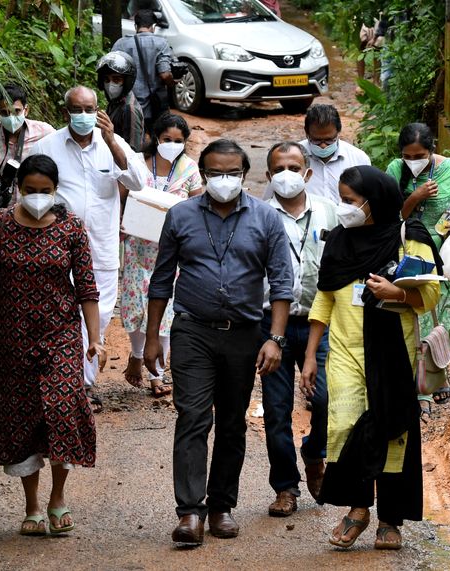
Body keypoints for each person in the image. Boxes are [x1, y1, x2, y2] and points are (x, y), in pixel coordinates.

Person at [145, 139, 293, 547]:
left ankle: (222, 505)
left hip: (245, 334)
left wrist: (275, 339)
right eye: (215, 173)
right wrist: (152, 338)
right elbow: (161, 280)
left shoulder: (266, 219)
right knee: (192, 416)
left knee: (231, 421)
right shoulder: (180, 216)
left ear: (245, 175)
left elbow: (282, 284)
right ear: (203, 173)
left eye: (232, 172)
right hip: (192, 329)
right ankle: (190, 512)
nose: (223, 180)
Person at [0, 154, 105, 536]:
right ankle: (32, 505)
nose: (37, 197)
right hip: (12, 336)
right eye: (30, 191)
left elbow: (86, 286)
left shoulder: (71, 228)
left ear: (56, 191)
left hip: (61, 334)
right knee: (21, 416)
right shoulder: (0, 224)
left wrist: (95, 338)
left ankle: (59, 498)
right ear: (18, 190)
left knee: (64, 406)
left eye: (45, 191)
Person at [301, 166, 442, 551]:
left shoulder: (409, 238)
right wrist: (311, 353)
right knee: (346, 427)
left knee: (392, 429)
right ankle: (358, 507)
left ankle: (391, 520)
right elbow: (325, 296)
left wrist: (396, 293)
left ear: (374, 200)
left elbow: (429, 296)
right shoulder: (340, 241)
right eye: (342, 199)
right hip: (345, 351)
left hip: (393, 350)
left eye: (350, 200)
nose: (343, 207)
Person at [31, 86, 146, 413]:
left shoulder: (113, 144)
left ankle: (81, 381)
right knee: (59, 313)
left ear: (99, 109)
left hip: (102, 250)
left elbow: (138, 182)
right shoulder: (47, 146)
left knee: (99, 316)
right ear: (66, 110)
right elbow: (28, 191)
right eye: (77, 109)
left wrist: (111, 141)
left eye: (89, 109)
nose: (84, 116)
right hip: (57, 249)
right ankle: (72, 383)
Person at [259, 141, 337, 517]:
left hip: (318, 322)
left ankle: (314, 452)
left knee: (323, 400)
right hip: (271, 323)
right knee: (276, 409)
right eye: (278, 168)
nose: (286, 174)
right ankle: (285, 487)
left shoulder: (329, 212)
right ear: (268, 176)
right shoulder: (257, 215)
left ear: (307, 172)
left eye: (294, 166)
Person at [385, 122, 450, 419]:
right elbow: (389, 215)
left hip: (445, 253)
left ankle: (438, 368)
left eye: (419, 155)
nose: (413, 161)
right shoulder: (395, 171)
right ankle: (424, 387)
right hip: (412, 253)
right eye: (408, 155)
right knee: (421, 316)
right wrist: (416, 196)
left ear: (432, 150)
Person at [120, 113, 202, 398]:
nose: (172, 144)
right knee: (135, 305)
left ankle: (157, 373)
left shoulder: (190, 169)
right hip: (137, 246)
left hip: (172, 252)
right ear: (155, 138)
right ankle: (136, 353)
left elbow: (197, 205)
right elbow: (123, 195)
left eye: (179, 141)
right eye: (167, 139)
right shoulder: (140, 166)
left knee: (166, 310)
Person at [112, 9, 174, 136]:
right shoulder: (162, 43)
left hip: (128, 106)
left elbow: (112, 73)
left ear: (135, 26)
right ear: (153, 26)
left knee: (128, 142)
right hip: (154, 107)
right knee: (156, 140)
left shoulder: (121, 44)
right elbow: (165, 74)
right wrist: (172, 83)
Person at [294, 104, 371, 204]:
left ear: (338, 132)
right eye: (316, 140)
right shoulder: (293, 157)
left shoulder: (358, 158)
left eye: (329, 140)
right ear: (307, 133)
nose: (323, 146)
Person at [98, 51, 146, 152]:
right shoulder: (115, 101)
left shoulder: (129, 109)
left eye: (116, 80)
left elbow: (132, 152)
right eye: (107, 80)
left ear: (127, 82)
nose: (110, 85)